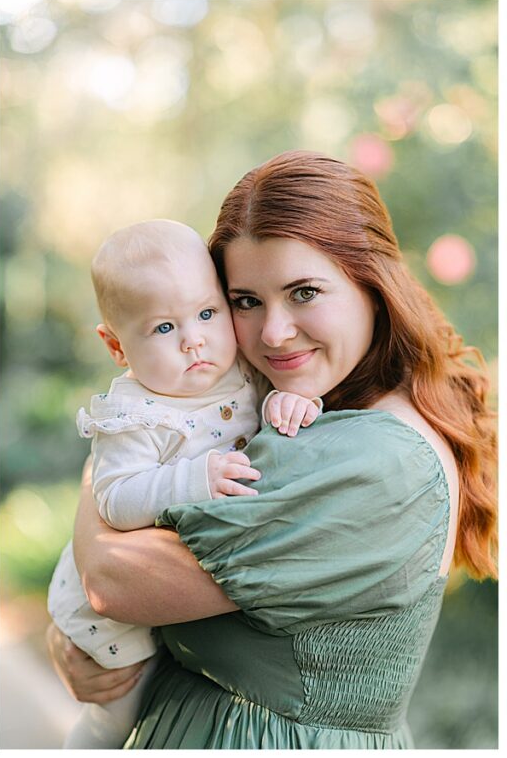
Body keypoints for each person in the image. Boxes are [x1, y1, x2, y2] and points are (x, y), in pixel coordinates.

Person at [46, 150, 497, 748]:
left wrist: (104, 468)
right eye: (245, 301)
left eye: (304, 292)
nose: (273, 333)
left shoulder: (378, 459)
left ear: (373, 284)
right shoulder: (307, 402)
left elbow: (112, 581)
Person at [47, 219, 319, 748]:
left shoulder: (240, 368)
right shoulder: (135, 414)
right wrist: (194, 478)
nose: (195, 340)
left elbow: (263, 412)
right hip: (106, 613)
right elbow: (116, 500)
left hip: (161, 585)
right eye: (164, 328)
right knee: (117, 714)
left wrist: (290, 400)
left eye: (207, 312)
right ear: (116, 346)